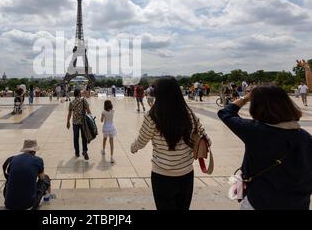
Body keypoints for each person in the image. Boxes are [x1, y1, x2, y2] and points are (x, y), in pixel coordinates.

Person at [218, 86, 312, 210]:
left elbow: (225, 112)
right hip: (297, 202)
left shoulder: (255, 131)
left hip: (261, 200)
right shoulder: (304, 136)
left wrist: (245, 98)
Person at [131, 77, 211, 210]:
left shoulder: (152, 116)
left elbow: (141, 140)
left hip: (162, 176)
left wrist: (133, 148)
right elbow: (206, 139)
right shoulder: (188, 113)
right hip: (186, 174)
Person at [3, 140, 52, 210]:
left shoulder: (13, 159)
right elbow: (42, 178)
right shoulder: (38, 160)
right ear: (35, 151)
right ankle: (47, 197)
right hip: (28, 206)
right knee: (46, 179)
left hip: (9, 204)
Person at [67, 88, 91, 160]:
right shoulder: (83, 100)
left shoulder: (72, 102)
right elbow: (89, 111)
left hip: (75, 122)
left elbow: (69, 114)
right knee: (84, 137)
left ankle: (77, 152)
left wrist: (67, 122)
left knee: (75, 138)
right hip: (83, 122)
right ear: (79, 94)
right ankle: (84, 150)